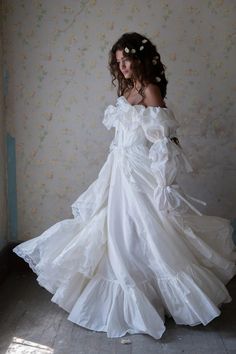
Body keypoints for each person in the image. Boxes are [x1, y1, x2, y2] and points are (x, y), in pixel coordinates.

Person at [13, 32, 236, 340]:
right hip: (117, 171)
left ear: (140, 58)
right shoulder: (129, 89)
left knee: (145, 231)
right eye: (118, 61)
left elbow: (163, 144)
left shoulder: (150, 90)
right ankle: (128, 286)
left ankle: (156, 296)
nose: (123, 66)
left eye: (127, 59)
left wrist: (164, 182)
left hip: (140, 173)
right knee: (116, 232)